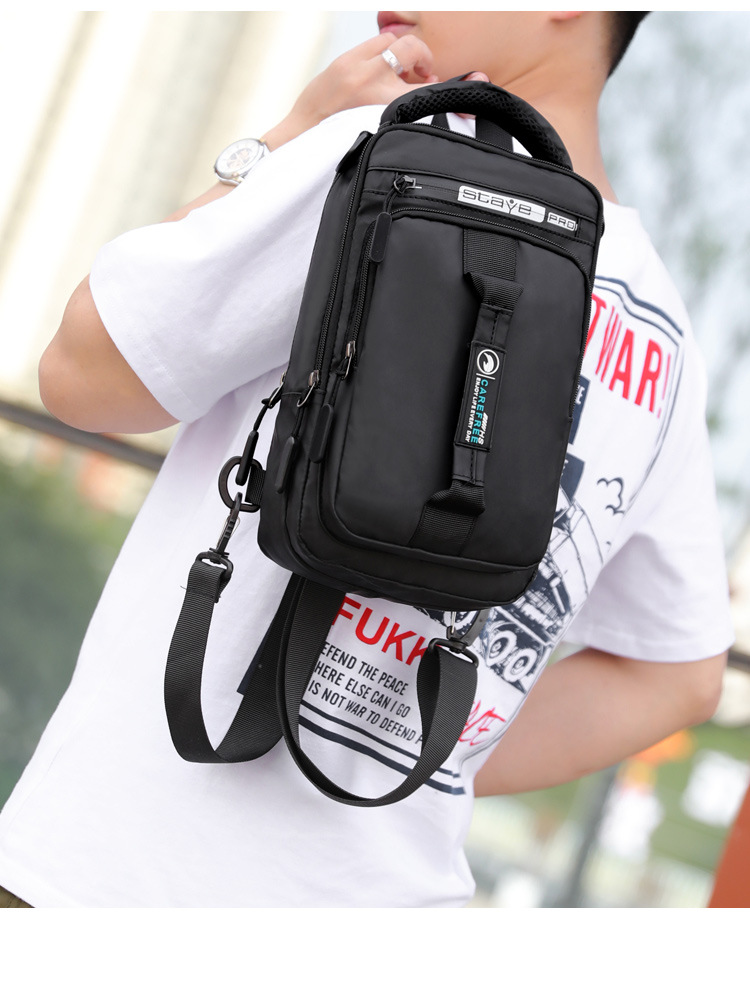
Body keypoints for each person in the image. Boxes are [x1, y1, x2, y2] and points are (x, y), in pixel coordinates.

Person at [0, 11, 733, 908]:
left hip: (117, 874)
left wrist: (287, 134)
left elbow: (84, 376)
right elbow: (680, 679)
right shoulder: (662, 334)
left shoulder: (374, 160)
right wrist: (432, 758)